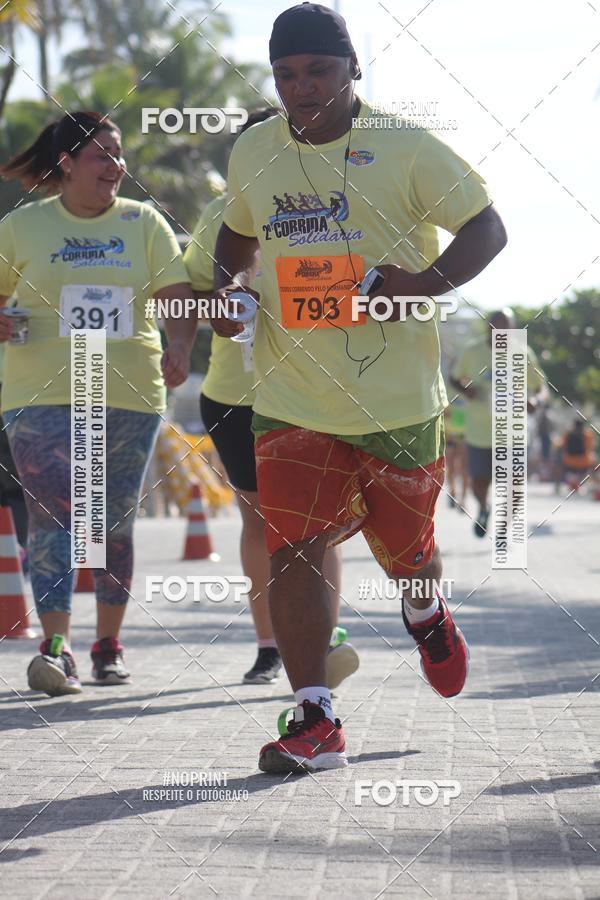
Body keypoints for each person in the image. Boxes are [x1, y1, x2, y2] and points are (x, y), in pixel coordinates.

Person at [211, 2, 507, 773]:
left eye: (319, 70)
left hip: (396, 401)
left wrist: (422, 282)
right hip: (290, 396)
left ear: (353, 69)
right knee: (294, 549)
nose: (302, 87)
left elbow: (487, 227)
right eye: (285, 75)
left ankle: (423, 607)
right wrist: (228, 291)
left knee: (409, 556)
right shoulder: (254, 151)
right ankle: (317, 718)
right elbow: (234, 236)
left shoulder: (406, 147)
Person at [0, 111, 194, 696]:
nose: (116, 166)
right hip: (40, 390)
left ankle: (108, 644)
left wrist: (180, 346)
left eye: (118, 155)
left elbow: (177, 297)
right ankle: (56, 649)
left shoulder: (144, 222)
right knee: (53, 515)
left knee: (112, 520)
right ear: (66, 163)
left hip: (126, 388)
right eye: (101, 156)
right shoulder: (23, 226)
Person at [184, 107, 359, 688]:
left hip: (313, 390)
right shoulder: (219, 215)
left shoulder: (332, 201)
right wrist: (224, 308)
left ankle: (323, 639)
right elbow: (193, 297)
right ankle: (269, 646)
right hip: (236, 394)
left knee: (317, 524)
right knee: (260, 522)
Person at [450, 309, 545, 537]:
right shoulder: (472, 351)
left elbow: (540, 387)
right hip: (479, 432)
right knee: (479, 483)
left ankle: (504, 526)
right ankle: (484, 508)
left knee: (516, 484)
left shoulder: (523, 352)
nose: (500, 331)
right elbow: (454, 377)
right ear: (488, 328)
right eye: (496, 326)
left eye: (506, 326)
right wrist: (467, 390)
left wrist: (535, 401)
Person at [557, 419, 595, 493]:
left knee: (569, 473)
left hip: (569, 462)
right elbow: (590, 447)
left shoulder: (567, 435)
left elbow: (560, 446)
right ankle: (580, 485)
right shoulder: (588, 435)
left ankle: (571, 484)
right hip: (584, 462)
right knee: (592, 464)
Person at [443, 400, 468, 510]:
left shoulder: (468, 394)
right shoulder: (448, 392)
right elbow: (443, 413)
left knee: (464, 469)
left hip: (464, 436)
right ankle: (452, 493)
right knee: (451, 468)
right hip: (449, 436)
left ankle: (463, 500)